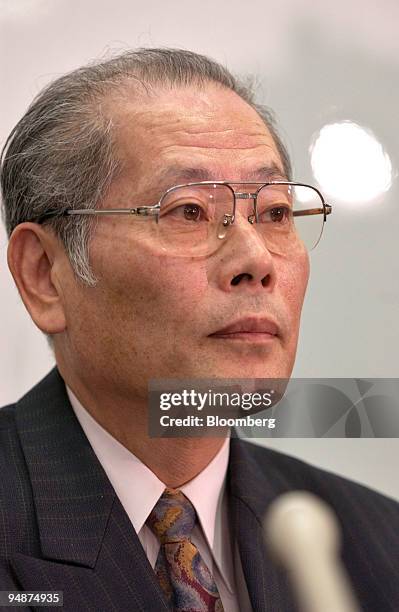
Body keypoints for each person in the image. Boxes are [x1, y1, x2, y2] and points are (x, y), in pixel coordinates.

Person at [0, 48, 398, 612]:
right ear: (45, 275)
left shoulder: (376, 548)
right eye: (188, 211)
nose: (255, 259)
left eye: (276, 213)